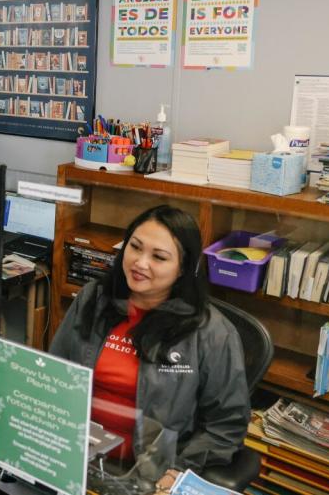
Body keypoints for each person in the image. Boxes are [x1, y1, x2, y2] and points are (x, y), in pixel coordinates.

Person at [50, 205, 250, 481]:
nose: (140, 263)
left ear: (183, 268)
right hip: (73, 454)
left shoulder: (212, 333)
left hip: (149, 475)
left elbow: (226, 425)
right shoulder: (93, 299)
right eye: (135, 247)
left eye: (159, 257)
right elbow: (55, 375)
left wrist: (178, 471)